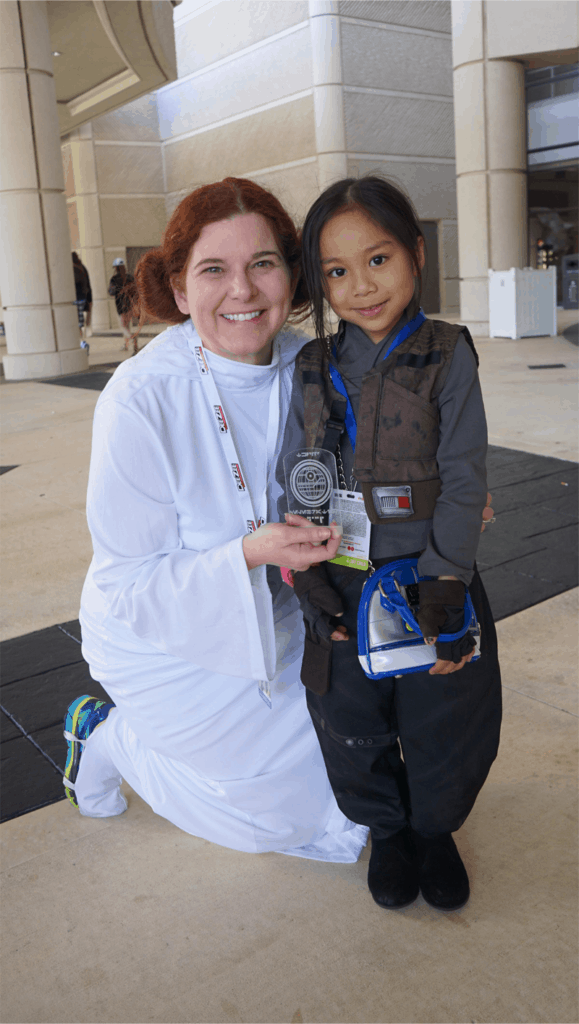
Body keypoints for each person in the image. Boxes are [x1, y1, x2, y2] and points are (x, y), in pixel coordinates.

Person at [63, 177, 368, 864]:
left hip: (287, 616)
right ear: (177, 290)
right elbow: (130, 584)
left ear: (292, 276)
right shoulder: (140, 399)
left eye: (263, 263)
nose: (243, 291)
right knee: (281, 823)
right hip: (165, 638)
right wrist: (249, 554)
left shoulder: (313, 366)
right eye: (214, 270)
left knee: (361, 777)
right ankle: (109, 740)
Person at [277, 176, 502, 910]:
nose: (360, 286)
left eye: (377, 260)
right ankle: (388, 831)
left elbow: (465, 476)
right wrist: (306, 572)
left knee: (446, 719)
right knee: (349, 722)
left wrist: (445, 581)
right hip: (338, 578)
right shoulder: (311, 368)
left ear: (415, 254)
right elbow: (296, 476)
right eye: (336, 272)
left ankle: (434, 831)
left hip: (431, 580)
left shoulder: (446, 353)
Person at [108, 258, 137, 353]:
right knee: (127, 326)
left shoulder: (114, 279)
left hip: (121, 306)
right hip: (130, 305)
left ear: (116, 268)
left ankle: (132, 339)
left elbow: (111, 292)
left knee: (123, 327)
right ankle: (126, 345)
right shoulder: (130, 277)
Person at [72, 252, 92, 348]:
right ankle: (82, 342)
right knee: (79, 323)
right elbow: (88, 284)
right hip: (83, 298)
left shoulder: (73, 269)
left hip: (75, 299)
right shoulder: (82, 267)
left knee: (77, 324)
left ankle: (82, 343)